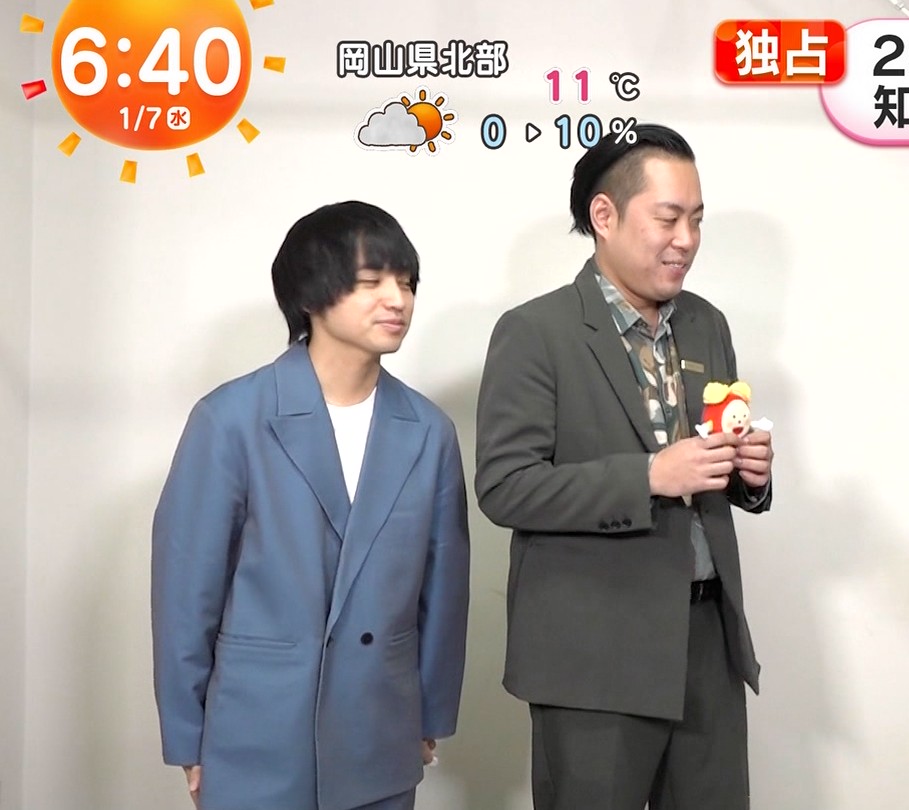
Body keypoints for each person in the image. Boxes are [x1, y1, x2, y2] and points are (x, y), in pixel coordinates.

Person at [473, 122, 774, 810]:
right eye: (668, 218)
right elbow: (506, 487)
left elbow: (708, 458)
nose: (686, 239)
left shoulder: (706, 324)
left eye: (697, 219)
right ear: (603, 216)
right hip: (593, 657)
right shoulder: (536, 331)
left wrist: (748, 474)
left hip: (707, 642)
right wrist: (648, 477)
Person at [150, 201, 471, 810]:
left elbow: (444, 590)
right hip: (256, 736)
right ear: (310, 294)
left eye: (406, 282)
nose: (397, 299)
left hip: (380, 734)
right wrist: (188, 738)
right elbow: (186, 593)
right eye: (370, 281)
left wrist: (428, 715)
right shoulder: (231, 419)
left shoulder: (429, 431)